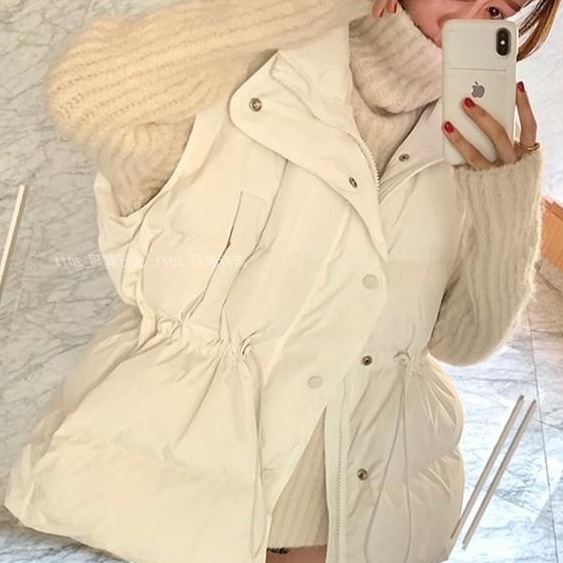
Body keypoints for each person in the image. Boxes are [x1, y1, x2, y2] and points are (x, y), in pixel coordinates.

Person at [2, 0, 559, 562]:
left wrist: (506, 199)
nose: (472, 15)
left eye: (499, 8)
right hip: (170, 497)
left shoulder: (466, 144)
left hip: (368, 508)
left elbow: (466, 341)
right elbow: (84, 94)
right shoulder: (247, 71)